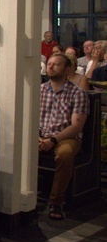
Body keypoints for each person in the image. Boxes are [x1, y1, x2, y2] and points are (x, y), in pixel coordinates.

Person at [39, 53, 89, 220]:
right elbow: (30, 118)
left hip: (65, 137)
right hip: (41, 135)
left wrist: (53, 140)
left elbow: (76, 126)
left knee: (65, 154)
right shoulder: (40, 90)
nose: (50, 67)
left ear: (67, 69)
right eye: (50, 64)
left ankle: (56, 201)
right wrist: (39, 138)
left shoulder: (77, 93)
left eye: (56, 65)